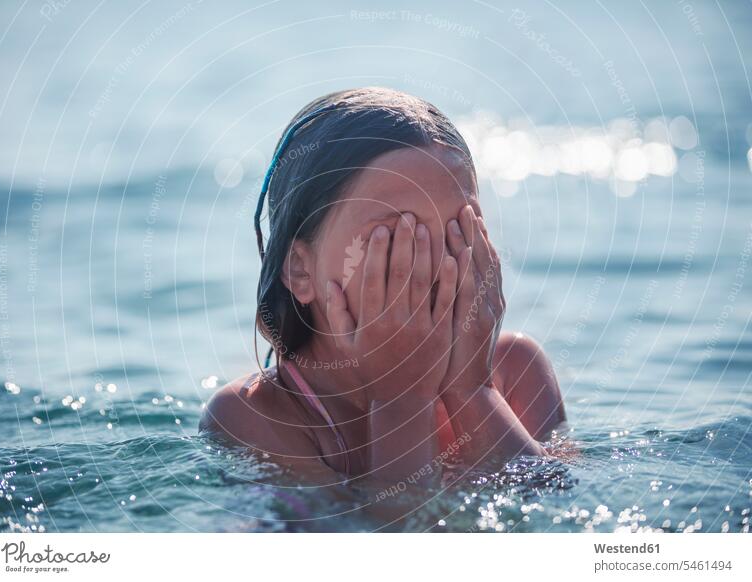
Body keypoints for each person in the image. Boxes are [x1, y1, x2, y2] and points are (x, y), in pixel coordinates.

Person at [199, 87, 567, 488]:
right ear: (301, 270)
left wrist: (474, 391)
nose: (434, 265)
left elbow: (550, 516)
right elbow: (396, 534)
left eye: (459, 231)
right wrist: (399, 400)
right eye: (396, 238)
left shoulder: (515, 371)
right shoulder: (254, 416)